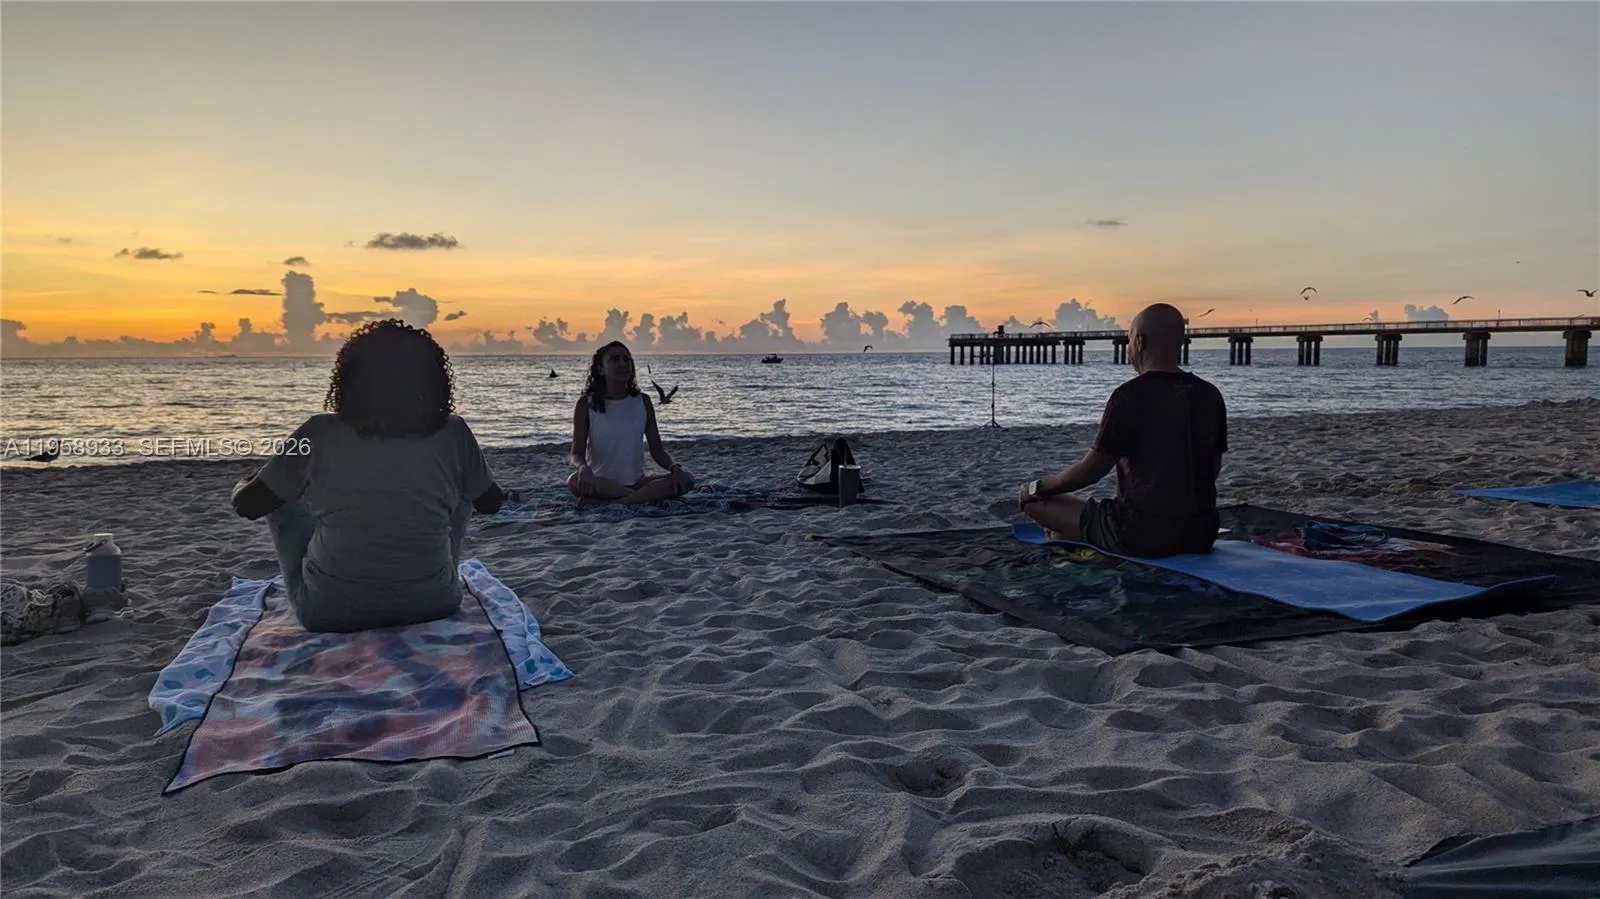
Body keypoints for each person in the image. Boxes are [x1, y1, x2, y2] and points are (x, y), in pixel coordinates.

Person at [229, 319, 505, 633]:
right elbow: (491, 503)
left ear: (349, 380)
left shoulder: (318, 433)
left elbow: (248, 505)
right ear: (433, 382)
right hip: (434, 605)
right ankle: (430, 577)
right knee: (466, 491)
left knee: (281, 499)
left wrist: (245, 484)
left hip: (328, 612)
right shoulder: (453, 432)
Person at [1016, 303, 1227, 558]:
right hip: (1201, 534)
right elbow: (1212, 468)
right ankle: (1074, 533)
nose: (1128, 350)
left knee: (1035, 503)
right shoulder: (1211, 395)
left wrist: (1038, 487)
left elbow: (1089, 472)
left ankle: (1071, 533)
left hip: (1140, 534)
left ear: (1138, 341)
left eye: (1128, 341)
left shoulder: (1129, 396)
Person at [567, 341, 696, 504]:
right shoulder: (586, 404)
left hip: (638, 483)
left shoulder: (643, 402)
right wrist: (583, 468)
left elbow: (657, 449)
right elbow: (576, 454)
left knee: (687, 479)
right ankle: (640, 498)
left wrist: (675, 468)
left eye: (626, 359)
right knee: (573, 481)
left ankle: (616, 503)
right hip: (601, 483)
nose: (622, 363)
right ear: (600, 369)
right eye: (614, 360)